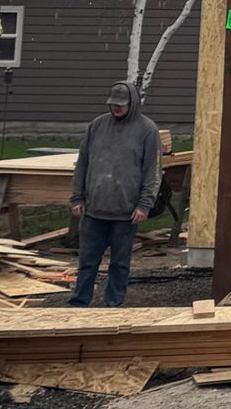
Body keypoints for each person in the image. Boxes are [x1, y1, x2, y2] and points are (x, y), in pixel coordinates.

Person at [68, 79, 162, 308]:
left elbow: (153, 171)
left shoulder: (148, 130)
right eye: (113, 103)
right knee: (87, 261)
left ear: (132, 103)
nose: (116, 108)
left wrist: (144, 204)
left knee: (120, 263)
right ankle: (79, 302)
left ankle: (113, 304)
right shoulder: (96, 126)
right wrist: (77, 197)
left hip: (126, 212)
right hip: (94, 209)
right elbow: (83, 163)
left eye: (121, 104)